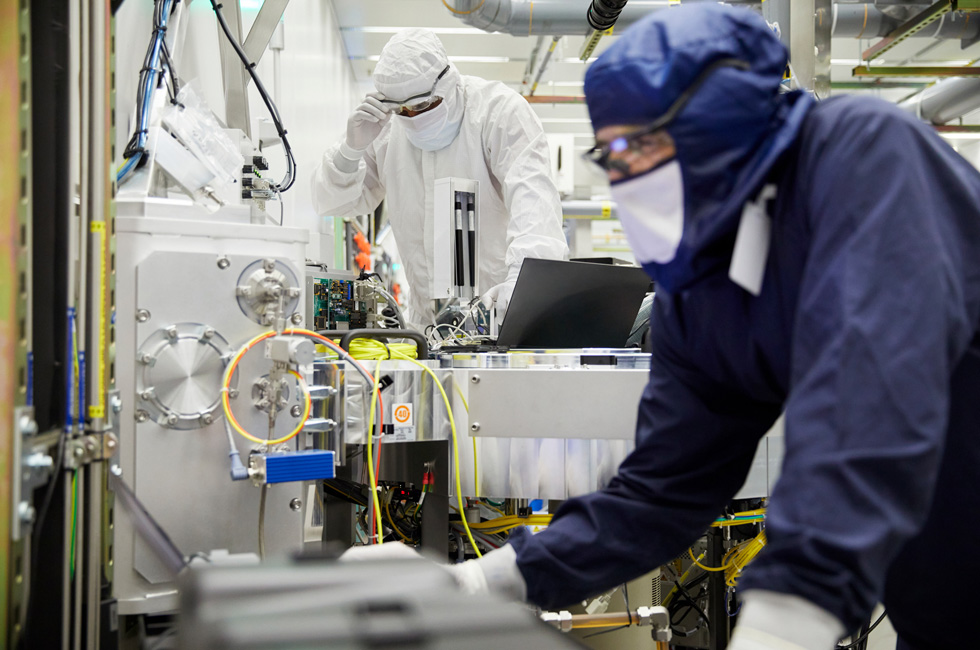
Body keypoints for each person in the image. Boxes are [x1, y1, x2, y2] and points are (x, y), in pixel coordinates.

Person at [346, 5, 980, 650]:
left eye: (646, 148)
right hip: (933, 577)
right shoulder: (702, 279)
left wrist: (789, 617)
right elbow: (661, 491)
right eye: (615, 156)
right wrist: (485, 584)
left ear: (731, 124)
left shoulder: (863, 153)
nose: (630, 179)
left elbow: (877, 400)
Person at [311, 28, 568, 326]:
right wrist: (350, 150)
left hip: (502, 321)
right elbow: (332, 203)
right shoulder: (384, 131)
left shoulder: (499, 113)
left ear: (448, 83)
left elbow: (535, 211)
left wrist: (521, 290)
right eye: (401, 110)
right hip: (426, 329)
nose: (413, 118)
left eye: (422, 106)